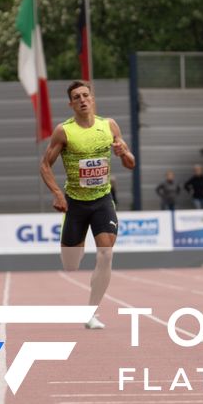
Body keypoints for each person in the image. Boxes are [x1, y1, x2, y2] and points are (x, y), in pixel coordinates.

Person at [40, 81, 137, 328]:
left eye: (86, 95)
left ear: (92, 99)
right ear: (71, 104)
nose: (82, 99)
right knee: (71, 263)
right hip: (75, 202)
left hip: (102, 199)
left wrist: (124, 153)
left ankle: (91, 312)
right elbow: (44, 165)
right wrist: (57, 193)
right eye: (77, 97)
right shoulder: (64, 131)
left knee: (105, 254)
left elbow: (131, 163)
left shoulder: (109, 126)